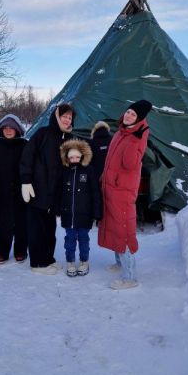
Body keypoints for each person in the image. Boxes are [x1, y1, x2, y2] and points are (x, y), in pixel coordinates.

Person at [98, 100, 152, 289]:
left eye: (134, 115)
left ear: (140, 120)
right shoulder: (121, 132)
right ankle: (120, 263)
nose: (129, 116)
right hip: (112, 188)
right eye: (128, 112)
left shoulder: (136, 137)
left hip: (123, 191)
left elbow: (130, 164)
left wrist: (136, 139)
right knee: (114, 226)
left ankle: (130, 278)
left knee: (123, 231)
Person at [20, 103, 75, 275]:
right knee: (37, 227)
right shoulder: (43, 133)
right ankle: (37, 263)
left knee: (50, 228)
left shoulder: (69, 138)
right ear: (57, 117)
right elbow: (27, 156)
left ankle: (48, 258)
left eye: (70, 118)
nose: (67, 120)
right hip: (37, 189)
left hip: (55, 194)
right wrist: (26, 181)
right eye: (64, 116)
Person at [57, 139, 102, 277]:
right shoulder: (64, 172)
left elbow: (95, 192)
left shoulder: (89, 171)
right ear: (67, 158)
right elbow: (59, 191)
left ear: (82, 156)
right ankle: (70, 262)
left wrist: (97, 212)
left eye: (77, 156)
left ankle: (84, 261)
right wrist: (58, 208)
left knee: (83, 238)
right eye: (71, 157)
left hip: (84, 214)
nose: (74, 159)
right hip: (68, 214)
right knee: (69, 239)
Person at [0, 114, 28, 264]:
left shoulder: (25, 145)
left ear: (17, 129)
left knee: (21, 222)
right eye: (5, 127)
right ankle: (1, 251)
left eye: (12, 127)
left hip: (21, 190)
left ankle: (21, 250)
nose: (9, 130)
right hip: (0, 190)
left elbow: (31, 166)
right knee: (1, 222)